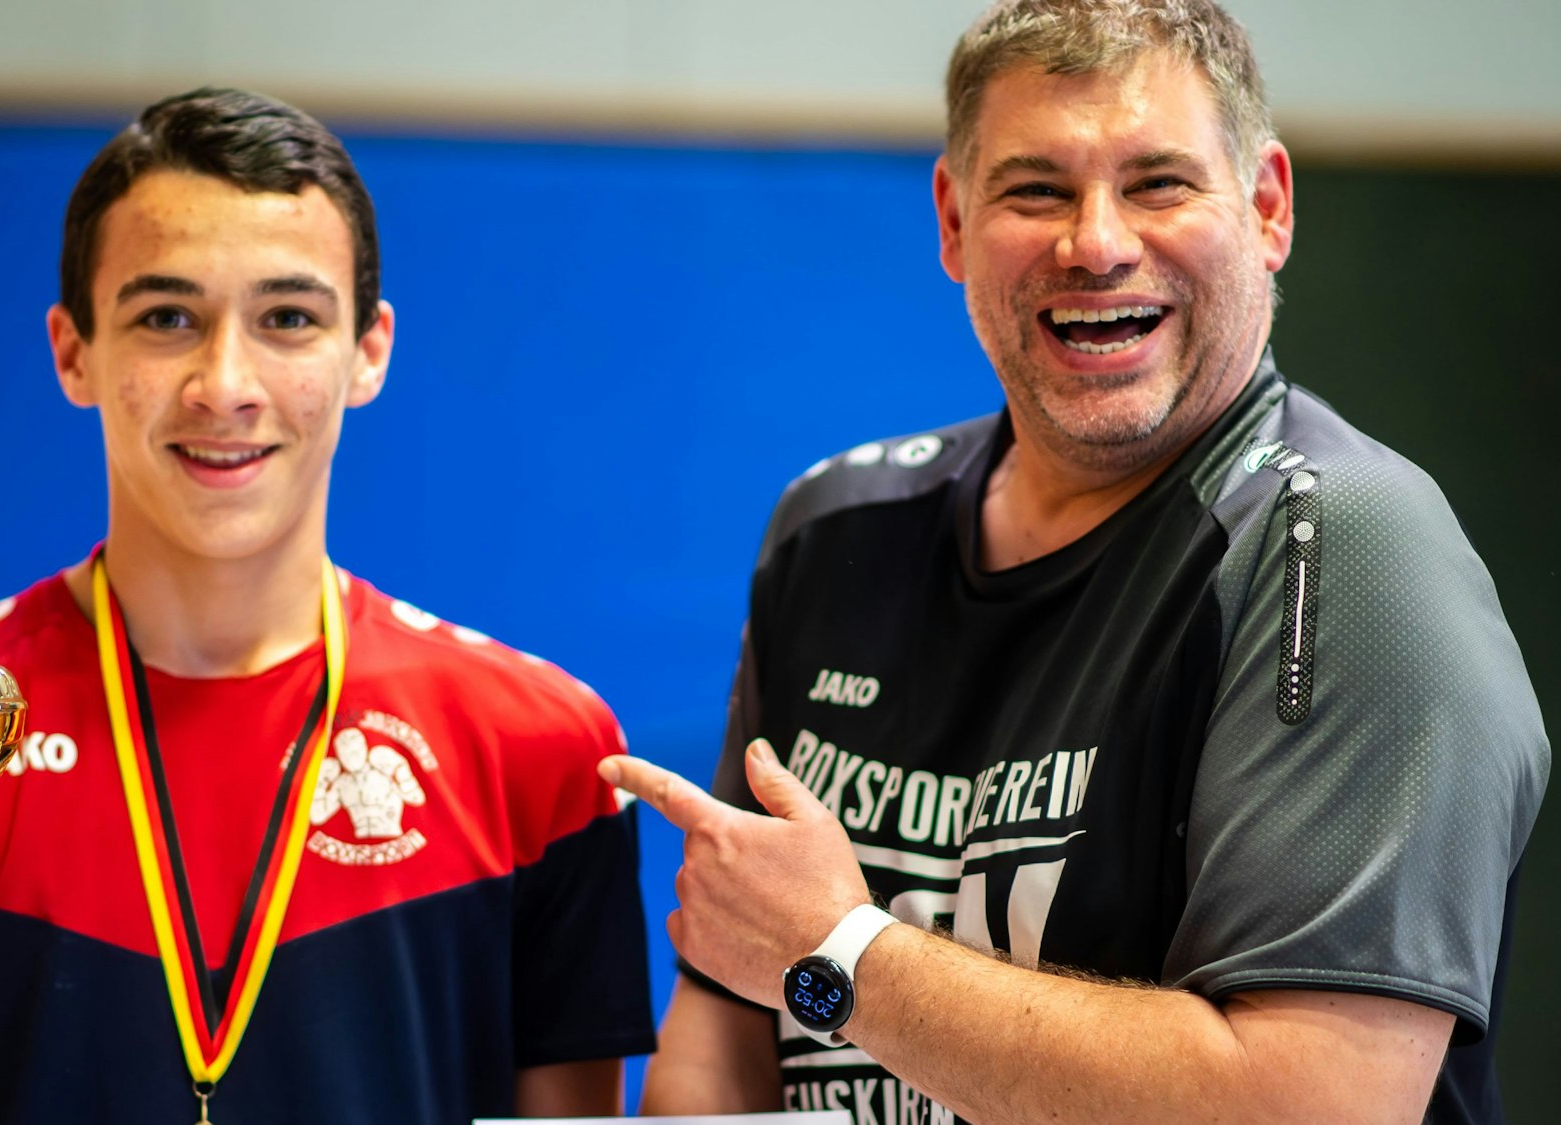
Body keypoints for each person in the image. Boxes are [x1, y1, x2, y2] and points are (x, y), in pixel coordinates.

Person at [603, 2, 1549, 1123]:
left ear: (1266, 207)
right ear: (953, 221)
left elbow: (1308, 1104)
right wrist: (807, 954)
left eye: (1158, 184)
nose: (1095, 244)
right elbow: (726, 1020)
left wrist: (842, 957)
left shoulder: (1338, 549)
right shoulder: (835, 525)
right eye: (1035, 191)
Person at [0, 87, 654, 1125]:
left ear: (368, 351)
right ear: (74, 351)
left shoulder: (539, 751)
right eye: (166, 318)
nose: (223, 384)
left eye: (288, 318)